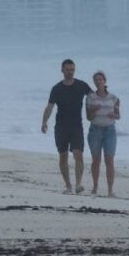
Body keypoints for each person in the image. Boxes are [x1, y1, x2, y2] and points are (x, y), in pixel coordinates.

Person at [42, 59, 93, 194]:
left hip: (77, 126)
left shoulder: (81, 85)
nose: (70, 72)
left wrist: (106, 105)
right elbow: (49, 107)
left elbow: (94, 96)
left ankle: (78, 184)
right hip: (61, 127)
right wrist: (44, 122)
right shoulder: (57, 88)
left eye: (72, 70)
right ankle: (68, 186)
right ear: (62, 70)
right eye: (67, 70)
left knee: (78, 154)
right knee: (63, 156)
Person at [86, 71, 121, 197]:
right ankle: (95, 187)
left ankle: (110, 190)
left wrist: (114, 115)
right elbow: (88, 117)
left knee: (109, 159)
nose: (99, 81)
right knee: (96, 160)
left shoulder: (114, 98)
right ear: (94, 82)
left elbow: (118, 115)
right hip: (95, 130)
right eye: (96, 80)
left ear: (104, 81)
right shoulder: (90, 97)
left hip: (109, 130)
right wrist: (94, 110)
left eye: (101, 79)